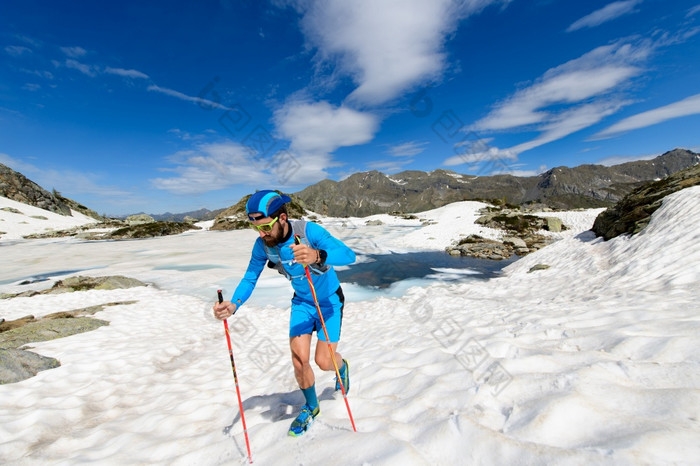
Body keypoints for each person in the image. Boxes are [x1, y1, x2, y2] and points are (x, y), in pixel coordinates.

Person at [213, 190, 356, 437]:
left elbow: (348, 255)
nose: (261, 233)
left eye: (266, 226)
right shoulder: (263, 246)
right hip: (302, 302)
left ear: (281, 218)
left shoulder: (309, 232)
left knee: (324, 362)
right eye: (256, 227)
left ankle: (341, 367)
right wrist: (234, 304)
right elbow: (250, 277)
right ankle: (311, 407)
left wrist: (317, 255)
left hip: (329, 301)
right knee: (299, 360)